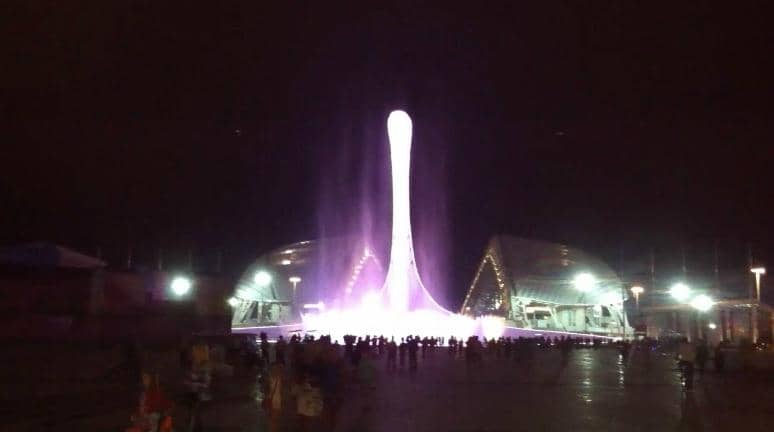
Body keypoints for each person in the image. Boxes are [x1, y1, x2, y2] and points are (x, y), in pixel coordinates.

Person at [265, 363, 284, 431]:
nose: (275, 370)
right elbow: (265, 390)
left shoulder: (280, 379)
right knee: (272, 419)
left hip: (277, 400)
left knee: (275, 419)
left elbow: (282, 391)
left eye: (276, 369)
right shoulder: (269, 379)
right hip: (271, 400)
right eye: (273, 369)